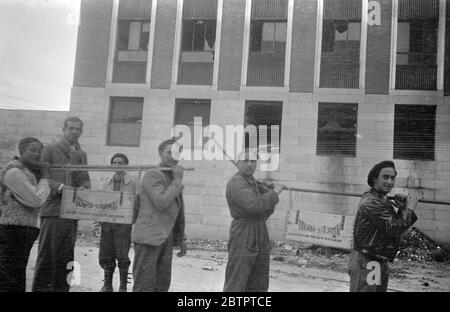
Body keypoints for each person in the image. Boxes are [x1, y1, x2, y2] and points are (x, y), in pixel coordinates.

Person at [32, 116, 91, 292]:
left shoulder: (81, 154)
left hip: (71, 213)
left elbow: (85, 179)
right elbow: (40, 177)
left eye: (78, 129)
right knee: (47, 256)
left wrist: (84, 188)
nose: (74, 132)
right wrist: (61, 187)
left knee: (66, 258)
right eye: (71, 128)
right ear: (63, 130)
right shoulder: (49, 150)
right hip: (53, 211)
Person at [349, 160, 418, 292]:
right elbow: (395, 228)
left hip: (376, 260)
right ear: (374, 178)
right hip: (367, 260)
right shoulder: (371, 202)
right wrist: (406, 208)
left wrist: (401, 209)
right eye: (385, 177)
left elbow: (392, 227)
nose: (390, 182)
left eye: (393, 178)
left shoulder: (381, 200)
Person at [223, 149, 285, 292]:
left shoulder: (253, 183)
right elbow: (255, 206)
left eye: (253, 161)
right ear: (238, 163)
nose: (250, 164)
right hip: (244, 231)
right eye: (245, 161)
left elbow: (266, 210)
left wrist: (266, 191)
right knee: (238, 278)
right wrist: (274, 193)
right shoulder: (237, 182)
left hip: (260, 229)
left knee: (259, 279)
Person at [131, 138, 187, 292]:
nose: (173, 156)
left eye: (177, 152)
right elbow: (161, 202)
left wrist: (181, 237)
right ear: (160, 154)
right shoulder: (152, 175)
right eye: (169, 152)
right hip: (149, 238)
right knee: (144, 285)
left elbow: (177, 211)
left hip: (165, 238)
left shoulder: (172, 176)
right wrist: (177, 181)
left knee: (162, 285)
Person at [0, 138, 55, 291]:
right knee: (9, 278)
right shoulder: (14, 172)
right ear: (21, 151)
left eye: (39, 151)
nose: (37, 154)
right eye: (33, 150)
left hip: (21, 231)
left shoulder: (26, 172)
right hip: (11, 230)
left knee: (15, 276)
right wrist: (45, 178)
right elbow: (36, 200)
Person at [99, 153, 137, 292]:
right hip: (107, 223)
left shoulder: (133, 182)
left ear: (126, 165)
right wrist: (96, 223)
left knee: (122, 255)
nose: (117, 165)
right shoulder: (106, 181)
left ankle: (123, 286)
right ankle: (107, 285)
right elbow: (99, 203)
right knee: (106, 254)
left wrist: (132, 222)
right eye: (114, 163)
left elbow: (137, 203)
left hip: (123, 224)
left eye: (120, 163)